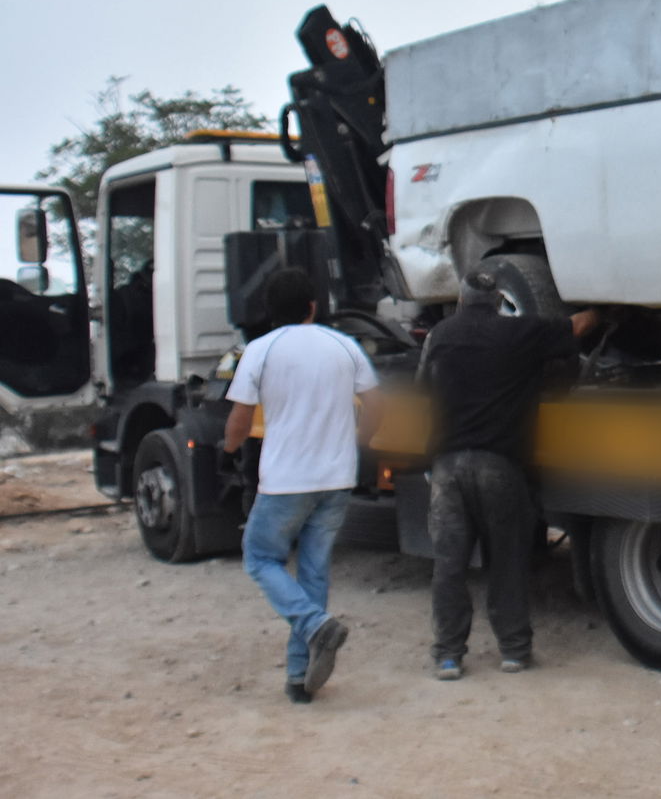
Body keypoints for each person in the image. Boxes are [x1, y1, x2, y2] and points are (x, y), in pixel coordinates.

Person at [419, 271, 598, 679]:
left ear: (462, 301)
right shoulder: (518, 333)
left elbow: (424, 386)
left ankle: (449, 656)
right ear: (499, 301)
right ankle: (514, 652)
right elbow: (577, 327)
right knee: (506, 561)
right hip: (497, 466)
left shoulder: (441, 335)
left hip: (447, 469)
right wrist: (603, 308)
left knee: (448, 565)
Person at [224, 266, 383, 704]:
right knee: (313, 571)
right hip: (336, 479)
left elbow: (239, 416)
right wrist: (358, 444)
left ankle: (315, 627)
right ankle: (298, 678)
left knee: (259, 557)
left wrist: (228, 447)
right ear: (313, 306)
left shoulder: (261, 349)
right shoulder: (343, 345)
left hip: (286, 481)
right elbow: (376, 405)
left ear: (269, 311)